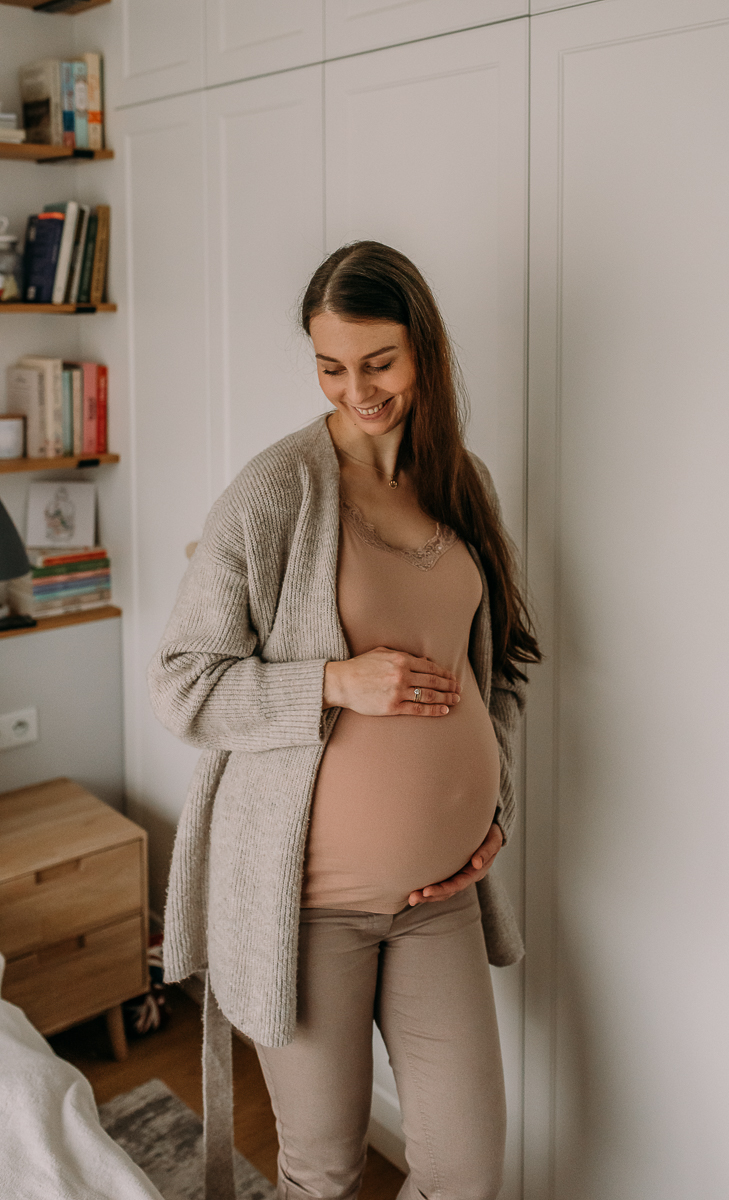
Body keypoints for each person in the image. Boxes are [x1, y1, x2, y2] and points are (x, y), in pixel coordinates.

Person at [148, 241, 541, 1200]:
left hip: (438, 899)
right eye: (331, 367)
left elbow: (500, 670)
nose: (356, 390)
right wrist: (331, 682)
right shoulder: (274, 492)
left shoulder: (463, 483)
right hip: (307, 904)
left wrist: (494, 807)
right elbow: (184, 684)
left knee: (464, 1171)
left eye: (379, 363)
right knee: (323, 1171)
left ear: (424, 351)